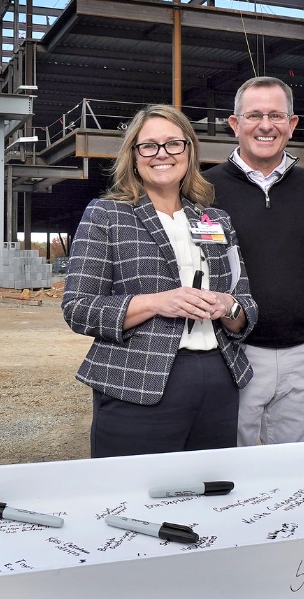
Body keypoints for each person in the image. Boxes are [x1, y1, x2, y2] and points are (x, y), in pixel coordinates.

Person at [63, 104, 258, 458]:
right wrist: (157, 302)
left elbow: (246, 304)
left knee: (209, 493)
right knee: (132, 493)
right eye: (149, 145)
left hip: (219, 378)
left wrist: (228, 306)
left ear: (189, 151)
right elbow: (78, 309)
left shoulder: (216, 219)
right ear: (134, 156)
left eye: (173, 144)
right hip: (137, 380)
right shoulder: (107, 214)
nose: (162, 154)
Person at [205, 77, 304, 446]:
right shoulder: (202, 190)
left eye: (276, 115)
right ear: (234, 124)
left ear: (293, 124)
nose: (266, 125)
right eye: (254, 115)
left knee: (292, 468)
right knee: (230, 465)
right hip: (232, 351)